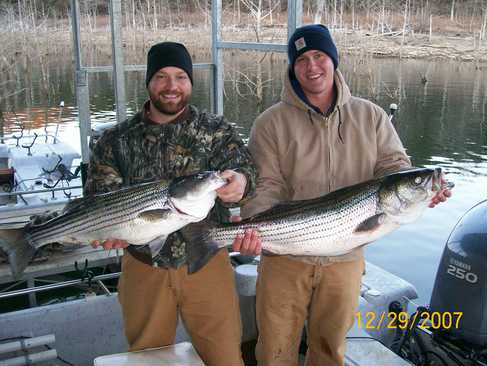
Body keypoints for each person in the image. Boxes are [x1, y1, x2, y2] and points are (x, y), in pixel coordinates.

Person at [232, 24, 451, 366]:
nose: (312, 66)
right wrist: (253, 227)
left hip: (346, 261)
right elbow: (265, 185)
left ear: (334, 60)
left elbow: (394, 167)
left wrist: (422, 192)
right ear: (293, 68)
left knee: (331, 350)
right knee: (274, 350)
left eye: (319, 56)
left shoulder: (372, 116)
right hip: (284, 259)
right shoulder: (269, 123)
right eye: (302, 59)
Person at [86, 41, 257, 366]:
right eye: (162, 77)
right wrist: (109, 228)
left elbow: (246, 170)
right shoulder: (116, 140)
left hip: (208, 263)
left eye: (180, 76)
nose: (171, 86)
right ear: (149, 82)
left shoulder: (215, 130)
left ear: (191, 82)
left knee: (225, 356)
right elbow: (99, 196)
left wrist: (241, 183)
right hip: (142, 266)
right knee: (148, 358)